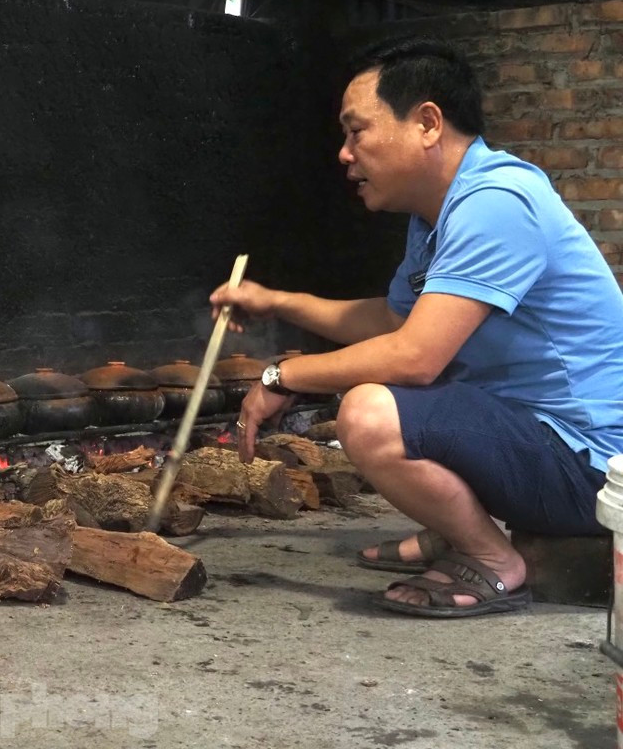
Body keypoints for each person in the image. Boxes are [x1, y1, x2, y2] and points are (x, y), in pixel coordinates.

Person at [209, 35, 623, 618]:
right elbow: (393, 319)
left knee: (371, 412)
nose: (344, 154)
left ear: (427, 122)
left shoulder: (498, 201)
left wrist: (284, 375)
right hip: (539, 440)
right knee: (397, 394)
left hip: (592, 468)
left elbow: (414, 354)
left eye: (358, 131)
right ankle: (460, 528)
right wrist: (277, 300)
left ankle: (492, 559)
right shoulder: (440, 213)